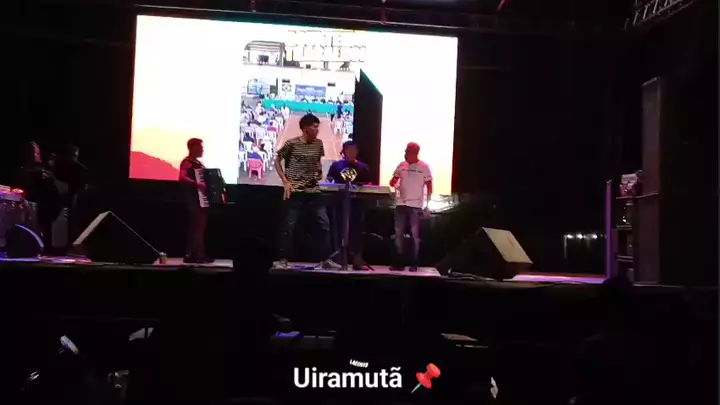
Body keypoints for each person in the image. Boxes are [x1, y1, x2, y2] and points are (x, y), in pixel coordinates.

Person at [274, 113, 338, 269]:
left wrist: (319, 171)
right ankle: (283, 259)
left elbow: (318, 162)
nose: (317, 130)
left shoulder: (318, 144)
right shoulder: (291, 144)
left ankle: (326, 259)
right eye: (315, 127)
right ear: (305, 128)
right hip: (295, 191)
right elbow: (277, 161)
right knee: (289, 226)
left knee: (324, 224)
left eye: (318, 127)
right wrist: (285, 181)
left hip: (313, 191)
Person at [326, 141, 372, 270]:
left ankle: (356, 259)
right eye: (350, 150)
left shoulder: (363, 167)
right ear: (344, 151)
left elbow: (369, 183)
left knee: (356, 230)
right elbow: (329, 180)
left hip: (356, 203)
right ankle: (338, 258)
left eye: (355, 150)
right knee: (339, 229)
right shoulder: (336, 165)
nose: (353, 153)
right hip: (340, 202)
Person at [389, 142, 432, 272]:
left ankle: (414, 263)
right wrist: (393, 182)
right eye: (405, 151)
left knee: (414, 235)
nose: (405, 153)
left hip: (415, 206)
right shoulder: (401, 165)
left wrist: (427, 204)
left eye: (408, 151)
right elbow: (393, 181)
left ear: (415, 152)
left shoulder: (424, 167)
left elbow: (429, 186)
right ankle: (399, 262)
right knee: (398, 234)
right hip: (400, 204)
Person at [15, 142, 62, 252]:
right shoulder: (20, 172)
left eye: (34, 152)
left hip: (41, 214)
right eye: (29, 152)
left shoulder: (46, 175)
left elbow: (54, 196)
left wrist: (50, 215)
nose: (32, 155)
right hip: (21, 213)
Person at [178, 138, 212, 264]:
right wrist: (197, 183)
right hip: (194, 200)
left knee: (199, 228)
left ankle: (196, 254)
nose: (202, 150)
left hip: (200, 199)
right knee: (197, 228)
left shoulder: (198, 163)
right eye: (200, 147)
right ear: (193, 148)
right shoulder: (187, 162)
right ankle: (196, 255)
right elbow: (182, 177)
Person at [54, 144, 89, 244]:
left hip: (72, 199)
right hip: (57, 198)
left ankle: (71, 243)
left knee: (71, 223)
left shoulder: (80, 169)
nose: (73, 157)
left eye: (75, 155)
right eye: (71, 154)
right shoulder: (60, 167)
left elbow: (83, 186)